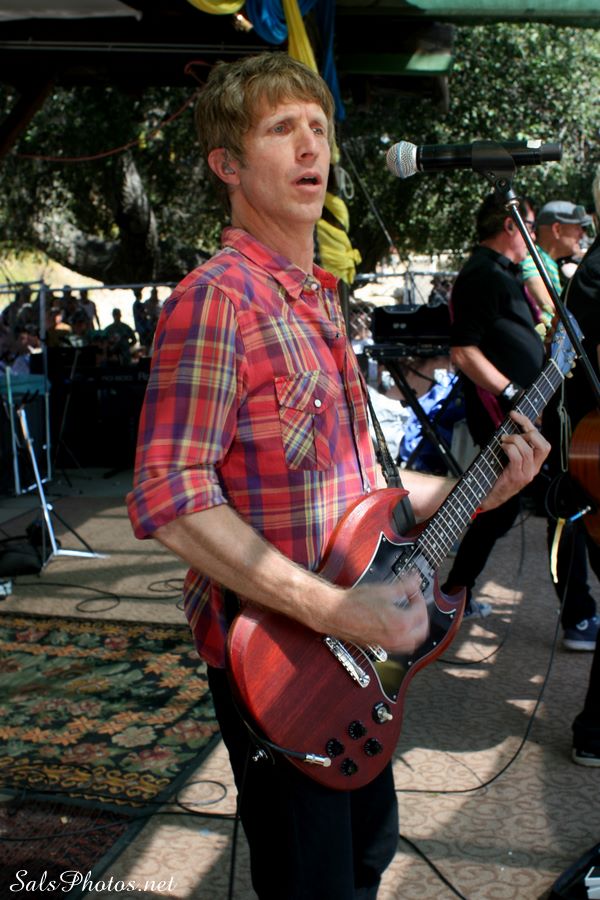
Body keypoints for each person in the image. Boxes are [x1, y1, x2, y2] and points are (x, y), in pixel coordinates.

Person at [126, 53, 549, 899]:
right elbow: (170, 497)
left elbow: (362, 491)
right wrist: (337, 610)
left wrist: (481, 489)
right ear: (228, 165)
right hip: (282, 662)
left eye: (318, 127)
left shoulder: (319, 298)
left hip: (352, 654)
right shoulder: (218, 299)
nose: (310, 145)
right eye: (281, 128)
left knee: (361, 861)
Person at [441, 193, 547, 618]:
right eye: (530, 227)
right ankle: (452, 594)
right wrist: (511, 392)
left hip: (519, 410)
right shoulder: (482, 273)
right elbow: (463, 351)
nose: (533, 237)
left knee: (501, 508)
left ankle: (454, 593)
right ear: (510, 225)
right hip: (503, 413)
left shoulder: (500, 272)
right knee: (498, 506)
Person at [527, 201, 600, 652]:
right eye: (574, 228)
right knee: (571, 514)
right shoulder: (587, 271)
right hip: (578, 422)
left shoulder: (577, 268)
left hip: (576, 416)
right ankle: (578, 616)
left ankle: (579, 615)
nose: (578, 234)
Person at [521, 200, 591, 332]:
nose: (582, 234)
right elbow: (554, 311)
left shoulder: (547, 262)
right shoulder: (533, 261)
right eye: (578, 228)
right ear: (557, 229)